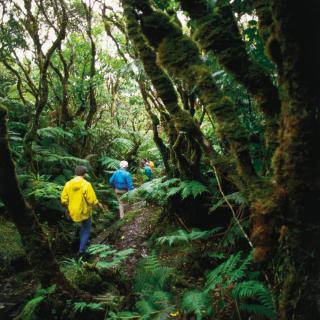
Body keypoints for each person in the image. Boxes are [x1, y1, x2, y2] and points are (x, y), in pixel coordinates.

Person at [61, 165, 102, 256]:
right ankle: (82, 250)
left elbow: (63, 200)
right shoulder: (86, 184)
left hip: (73, 212)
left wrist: (68, 208)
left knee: (82, 229)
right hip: (84, 211)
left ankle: (84, 242)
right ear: (84, 174)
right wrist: (99, 206)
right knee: (86, 229)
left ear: (75, 173)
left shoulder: (68, 184)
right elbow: (92, 200)